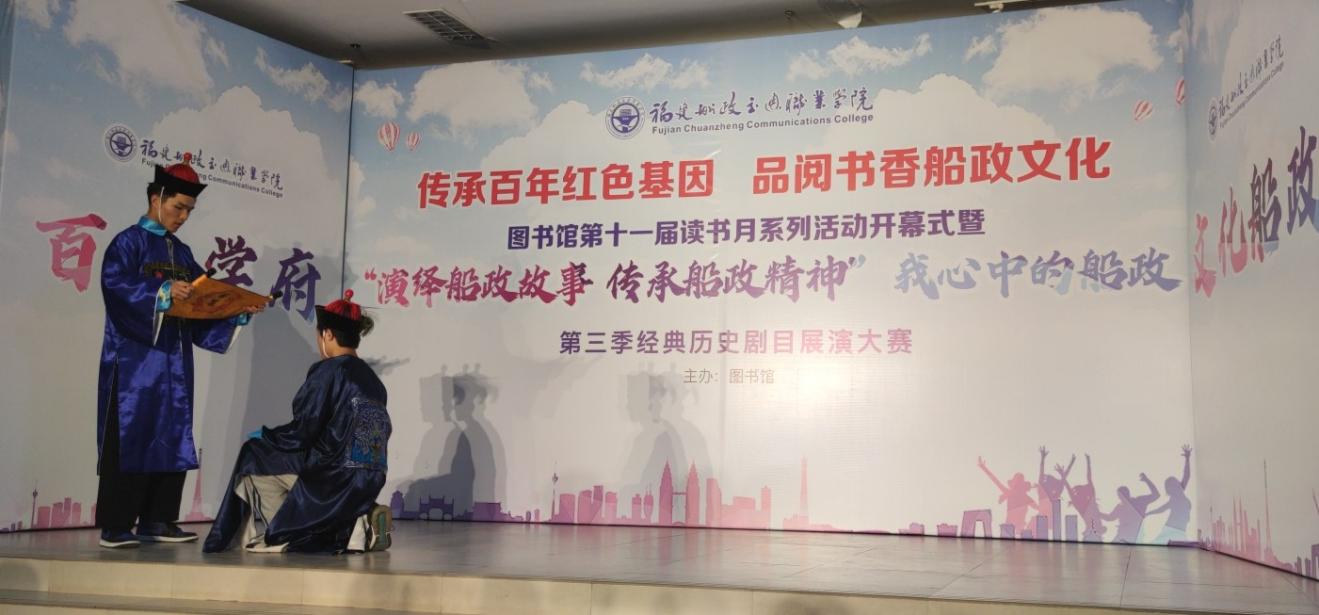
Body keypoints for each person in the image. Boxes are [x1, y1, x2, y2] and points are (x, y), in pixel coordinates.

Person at [97, 154, 260, 549]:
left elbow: (201, 302)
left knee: (171, 436)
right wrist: (163, 291)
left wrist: (234, 311)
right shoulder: (127, 243)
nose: (183, 217)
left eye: (189, 210)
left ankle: (158, 519)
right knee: (131, 436)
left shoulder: (182, 253)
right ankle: (116, 524)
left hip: (174, 365)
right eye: (178, 207)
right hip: (134, 365)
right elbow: (116, 287)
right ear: (157, 199)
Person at [203, 290, 392, 554]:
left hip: (336, 475)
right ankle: (359, 515)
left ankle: (292, 534)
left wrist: (266, 436)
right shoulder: (373, 381)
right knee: (282, 457)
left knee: (254, 454)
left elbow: (303, 430)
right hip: (371, 477)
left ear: (327, 335)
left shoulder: (329, 370)